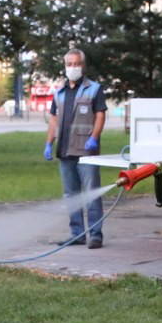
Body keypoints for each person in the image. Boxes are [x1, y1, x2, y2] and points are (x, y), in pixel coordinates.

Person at [44, 48, 108, 248]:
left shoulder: (94, 89)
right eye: (69, 64)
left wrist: (94, 137)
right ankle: (77, 234)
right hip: (65, 151)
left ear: (83, 66)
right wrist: (48, 143)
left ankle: (95, 234)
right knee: (71, 196)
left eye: (76, 64)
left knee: (91, 193)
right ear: (65, 66)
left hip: (86, 150)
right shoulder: (59, 92)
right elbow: (53, 120)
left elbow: (100, 114)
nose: (73, 68)